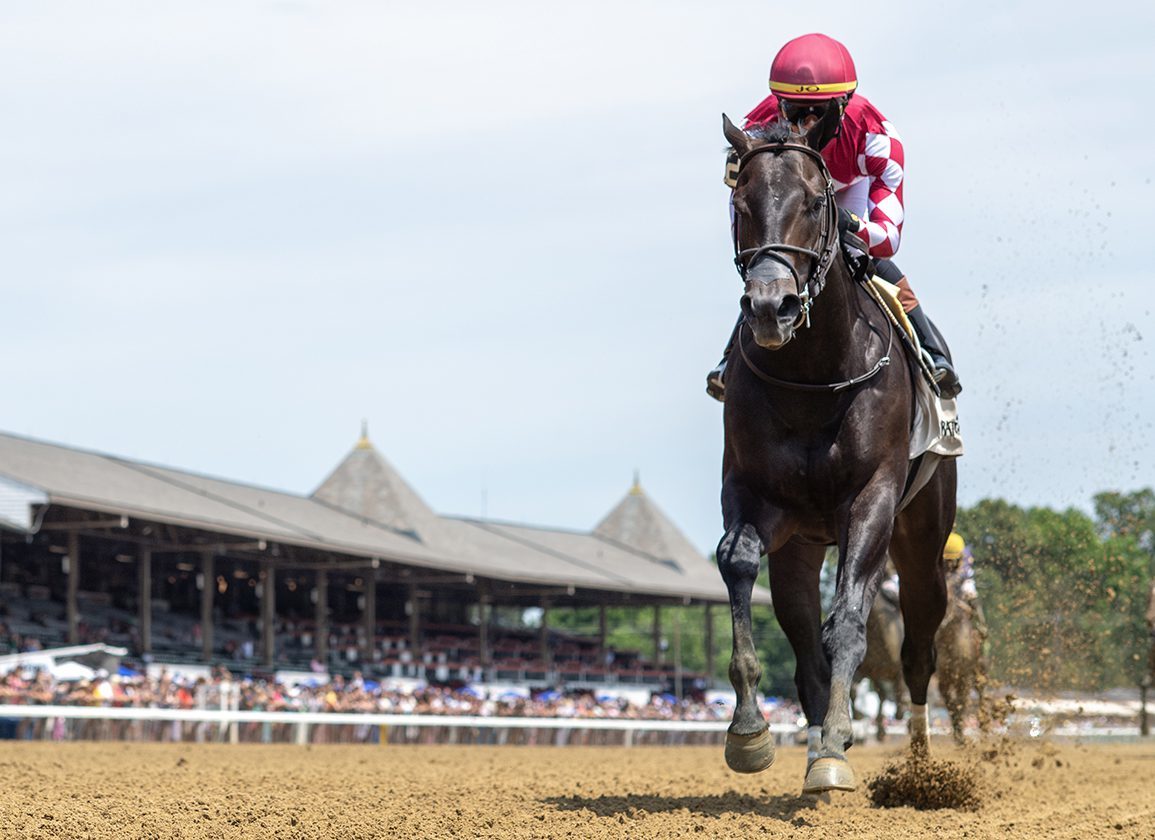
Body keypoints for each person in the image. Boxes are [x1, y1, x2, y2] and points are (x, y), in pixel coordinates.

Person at [707, 33, 960, 401]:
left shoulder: (877, 139)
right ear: (779, 106)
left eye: (822, 113)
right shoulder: (753, 135)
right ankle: (729, 356)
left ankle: (931, 352)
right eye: (797, 112)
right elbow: (743, 212)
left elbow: (888, 239)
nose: (811, 122)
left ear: (844, 104)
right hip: (789, 190)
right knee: (772, 261)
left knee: (858, 254)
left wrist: (847, 224)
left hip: (849, 187)